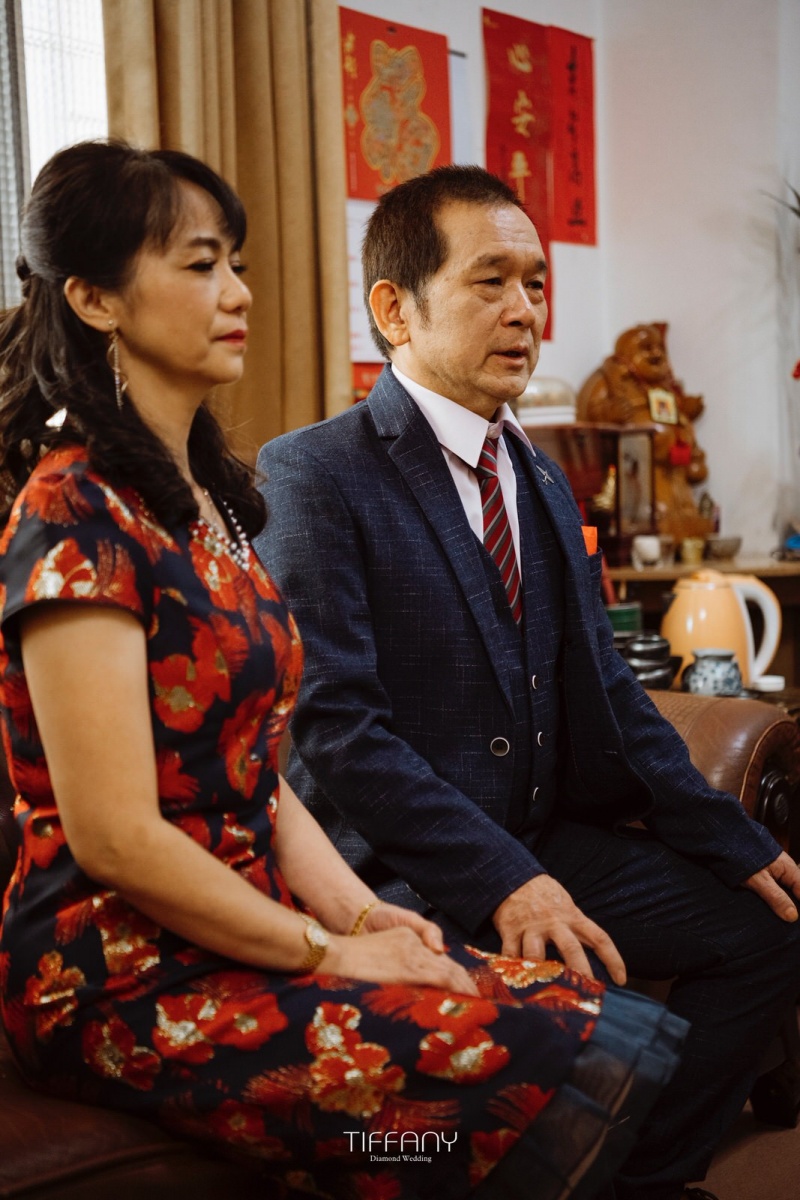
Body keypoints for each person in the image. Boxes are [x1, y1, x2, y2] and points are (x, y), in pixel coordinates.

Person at [0, 142, 686, 1200]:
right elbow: (117, 839)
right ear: (95, 299)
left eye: (235, 263)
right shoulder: (72, 514)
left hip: (252, 918)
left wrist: (366, 918)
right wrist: (327, 952)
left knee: (595, 1022)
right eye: (199, 265)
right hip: (122, 973)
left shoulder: (209, 505)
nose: (239, 292)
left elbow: (258, 773)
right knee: (516, 1068)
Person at [255, 165, 800, 1200]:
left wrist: (733, 839)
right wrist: (502, 879)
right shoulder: (313, 474)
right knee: (580, 1031)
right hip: (398, 870)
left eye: (536, 283)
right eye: (490, 280)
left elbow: (610, 693)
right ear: (394, 310)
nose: (524, 310)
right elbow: (337, 728)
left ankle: (643, 1179)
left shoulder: (540, 475)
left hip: (544, 839)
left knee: (765, 931)